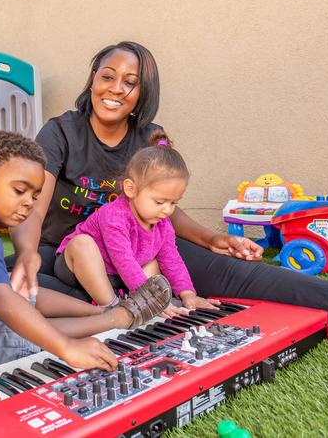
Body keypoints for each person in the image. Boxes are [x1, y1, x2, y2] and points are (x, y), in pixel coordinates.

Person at [9, 41, 328, 346]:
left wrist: (212, 238)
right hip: (67, 254)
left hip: (142, 249)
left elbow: (166, 208)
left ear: (143, 93)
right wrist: (26, 253)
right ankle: (110, 311)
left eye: (130, 82)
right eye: (107, 76)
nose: (116, 89)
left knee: (256, 278)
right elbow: (33, 208)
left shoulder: (149, 137)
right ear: (92, 78)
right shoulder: (61, 131)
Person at [0, 131, 171, 386]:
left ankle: (101, 310)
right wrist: (67, 347)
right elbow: (1, 301)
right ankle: (116, 319)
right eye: (19, 190)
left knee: (22, 291)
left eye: (35, 196)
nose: (29, 203)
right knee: (23, 326)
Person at [56, 129, 219, 317]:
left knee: (154, 262)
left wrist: (188, 293)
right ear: (131, 189)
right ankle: (113, 308)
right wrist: (147, 298)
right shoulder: (114, 216)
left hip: (117, 276)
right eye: (159, 202)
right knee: (82, 244)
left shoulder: (163, 223)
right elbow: (124, 261)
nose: (167, 210)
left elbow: (171, 259)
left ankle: (143, 305)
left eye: (174, 202)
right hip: (78, 266)